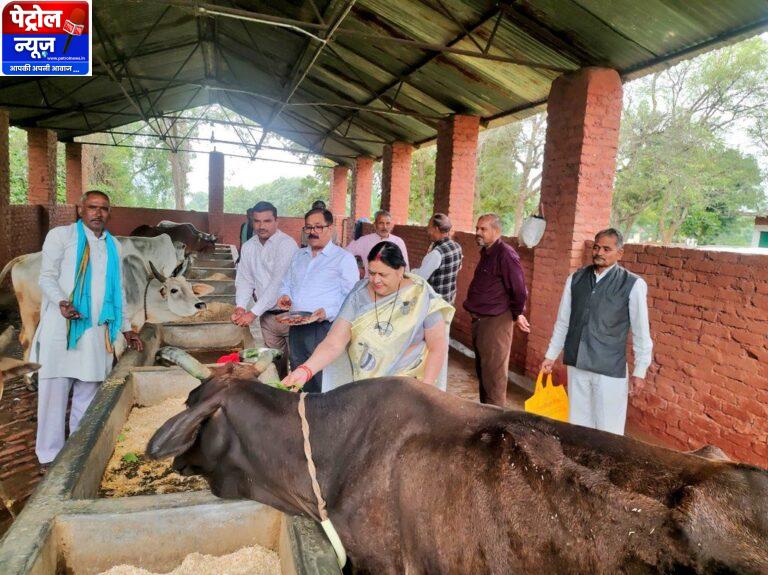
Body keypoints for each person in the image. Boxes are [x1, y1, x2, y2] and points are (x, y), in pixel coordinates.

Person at [32, 191, 143, 467]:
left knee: (88, 392)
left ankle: (76, 455)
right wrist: (61, 301)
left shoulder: (114, 245)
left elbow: (117, 291)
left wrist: (127, 328)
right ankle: (48, 456)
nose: (98, 213)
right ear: (81, 209)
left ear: (109, 213)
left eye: (104, 208)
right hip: (62, 327)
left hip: (97, 332)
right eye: (92, 207)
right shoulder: (62, 236)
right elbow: (46, 277)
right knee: (53, 394)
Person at [281, 242, 454, 392]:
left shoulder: (421, 295)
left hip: (410, 386)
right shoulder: (359, 294)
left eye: (383, 275)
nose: (375, 280)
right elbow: (334, 342)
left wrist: (426, 389)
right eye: (371, 273)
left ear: (400, 271)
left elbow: (437, 346)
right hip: (367, 386)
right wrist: (305, 371)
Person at [540, 228, 653, 435]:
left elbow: (641, 332)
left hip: (609, 368)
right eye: (596, 247)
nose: (599, 252)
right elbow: (563, 321)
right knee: (578, 423)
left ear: (620, 253)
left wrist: (640, 371)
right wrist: (551, 355)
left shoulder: (633, 285)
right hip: (577, 362)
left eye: (606, 249)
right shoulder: (575, 279)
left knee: (608, 429)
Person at [277, 208, 358, 392]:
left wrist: (327, 312)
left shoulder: (343, 258)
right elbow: (286, 283)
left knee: (324, 377)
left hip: (325, 329)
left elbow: (351, 297)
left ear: (330, 228)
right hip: (297, 326)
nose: (313, 232)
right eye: (308, 227)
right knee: (299, 370)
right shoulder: (299, 255)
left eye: (318, 227)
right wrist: (285, 296)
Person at [464, 214, 530, 408]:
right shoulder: (487, 252)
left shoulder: (505, 254)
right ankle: (486, 416)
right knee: (484, 374)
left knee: (494, 378)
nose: (478, 233)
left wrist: (517, 314)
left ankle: (496, 425)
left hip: (496, 322)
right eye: (477, 228)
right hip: (481, 321)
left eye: (483, 229)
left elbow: (519, 289)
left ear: (497, 231)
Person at [232, 201, 298, 378]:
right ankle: (280, 399)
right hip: (268, 317)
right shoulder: (248, 247)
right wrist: (240, 306)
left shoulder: (286, 244)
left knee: (299, 362)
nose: (261, 226)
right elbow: (245, 279)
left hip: (292, 315)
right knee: (275, 364)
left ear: (276, 221)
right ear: (252, 221)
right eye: (257, 221)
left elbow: (277, 283)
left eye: (267, 221)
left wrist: (251, 314)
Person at [412, 213, 463, 304]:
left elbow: (420, 277)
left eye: (429, 228)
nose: (428, 231)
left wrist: (411, 272)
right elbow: (457, 268)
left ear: (436, 228)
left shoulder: (436, 253)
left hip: (435, 303)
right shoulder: (457, 247)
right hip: (449, 300)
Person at [345, 210, 409, 277]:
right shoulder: (364, 240)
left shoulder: (398, 241)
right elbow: (345, 254)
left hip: (392, 285)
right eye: (381, 223)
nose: (385, 227)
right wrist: (356, 268)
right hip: (370, 283)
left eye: (388, 223)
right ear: (375, 225)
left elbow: (405, 266)